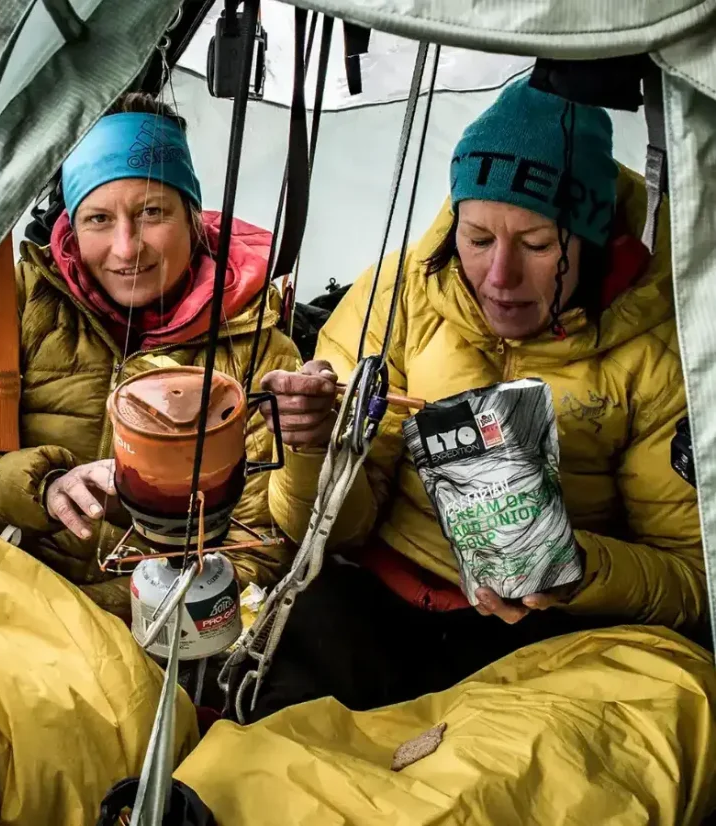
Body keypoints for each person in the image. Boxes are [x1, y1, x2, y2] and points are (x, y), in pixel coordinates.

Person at [256, 78, 707, 719]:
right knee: (287, 735)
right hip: (378, 599)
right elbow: (328, 533)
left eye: (539, 244)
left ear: (595, 241)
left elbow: (694, 581)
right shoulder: (399, 294)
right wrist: (311, 446)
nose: (499, 278)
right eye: (478, 239)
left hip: (551, 638)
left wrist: (580, 567)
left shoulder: (661, 353)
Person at [0, 92, 300, 620]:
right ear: (70, 223)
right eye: (99, 219)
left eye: (152, 211)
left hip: (145, 639)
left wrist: (91, 618)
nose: (127, 249)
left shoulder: (259, 344)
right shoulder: (8, 308)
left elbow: (265, 547)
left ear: (193, 215)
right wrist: (38, 487)